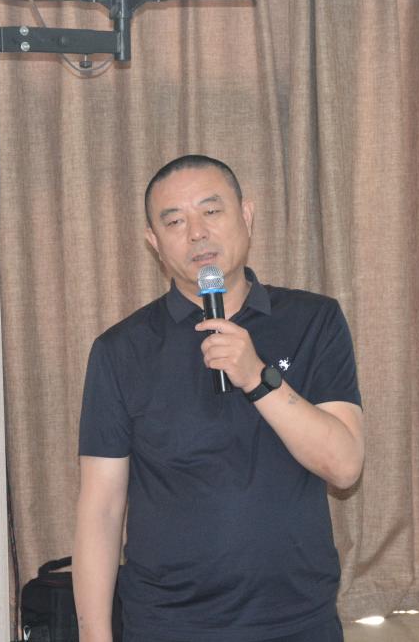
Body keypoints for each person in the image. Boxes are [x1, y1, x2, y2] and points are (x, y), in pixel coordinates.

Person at [74, 155, 365, 642]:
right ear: (154, 242)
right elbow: (100, 508)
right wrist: (94, 636)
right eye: (174, 221)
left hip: (297, 620)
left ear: (246, 216)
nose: (197, 233)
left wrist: (257, 377)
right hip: (167, 624)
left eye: (211, 211)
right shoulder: (121, 351)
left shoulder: (314, 320)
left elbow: (345, 467)